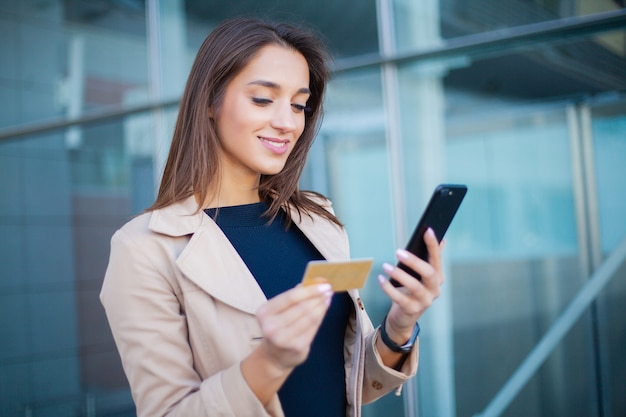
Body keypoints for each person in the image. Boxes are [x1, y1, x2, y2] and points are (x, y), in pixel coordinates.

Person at [100, 17, 445, 417]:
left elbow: (344, 381)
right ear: (210, 102)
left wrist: (400, 326)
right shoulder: (143, 249)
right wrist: (270, 361)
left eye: (299, 105)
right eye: (263, 99)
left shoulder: (317, 221)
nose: (287, 122)